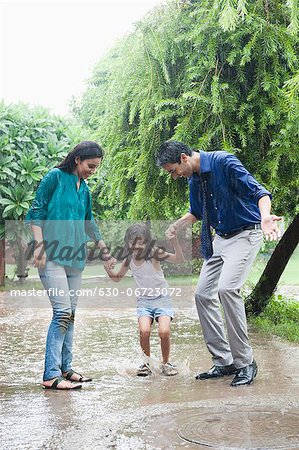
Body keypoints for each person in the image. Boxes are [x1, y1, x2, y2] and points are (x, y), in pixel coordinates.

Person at [155, 140, 281, 387]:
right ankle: (224, 361)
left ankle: (245, 362)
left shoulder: (224, 161)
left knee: (227, 290)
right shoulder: (194, 177)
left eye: (172, 170)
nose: (173, 176)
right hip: (220, 239)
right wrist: (176, 226)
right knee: (202, 294)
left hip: (245, 234)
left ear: (183, 157)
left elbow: (260, 192)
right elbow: (197, 212)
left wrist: (265, 217)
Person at [26, 141, 114, 390]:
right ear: (77, 159)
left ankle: (66, 368)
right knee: (62, 313)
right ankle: (51, 375)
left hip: (76, 258)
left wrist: (105, 253)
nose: (92, 171)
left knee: (71, 315)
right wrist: (39, 245)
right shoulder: (55, 177)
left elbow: (90, 222)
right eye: (90, 166)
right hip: (52, 254)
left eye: (96, 167)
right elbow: (37, 210)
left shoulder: (84, 188)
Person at [104, 222, 185, 377]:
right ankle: (146, 365)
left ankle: (165, 363)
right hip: (144, 302)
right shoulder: (129, 260)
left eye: (141, 242)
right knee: (144, 331)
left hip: (162, 299)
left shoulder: (154, 254)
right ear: (128, 242)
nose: (137, 246)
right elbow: (116, 278)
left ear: (147, 242)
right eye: (133, 242)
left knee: (164, 332)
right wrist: (108, 269)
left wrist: (174, 242)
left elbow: (179, 260)